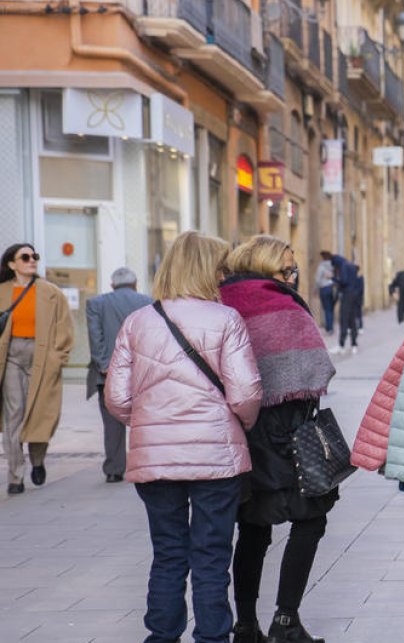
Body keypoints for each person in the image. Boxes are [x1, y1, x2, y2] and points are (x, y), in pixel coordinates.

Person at [105, 231, 262, 643]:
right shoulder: (226, 319)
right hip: (215, 458)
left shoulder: (138, 321)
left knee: (168, 553)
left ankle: (161, 635)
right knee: (211, 555)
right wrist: (236, 426)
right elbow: (246, 394)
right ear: (210, 271)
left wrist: (149, 426)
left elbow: (117, 397)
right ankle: (212, 637)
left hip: (154, 460)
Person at [218, 236, 338, 643]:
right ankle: (286, 620)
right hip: (285, 432)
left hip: (238, 431)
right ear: (264, 266)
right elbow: (317, 368)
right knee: (310, 519)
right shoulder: (280, 303)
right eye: (286, 270)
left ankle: (245, 625)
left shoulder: (220, 301)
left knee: (252, 528)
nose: (292, 277)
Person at [0, 243, 73, 495]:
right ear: (12, 264)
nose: (32, 260)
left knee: (40, 413)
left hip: (43, 355)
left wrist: (57, 358)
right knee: (14, 412)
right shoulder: (2, 292)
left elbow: (65, 329)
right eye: (25, 257)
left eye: (35, 256)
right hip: (10, 356)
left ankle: (38, 460)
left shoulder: (51, 292)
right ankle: (15, 474)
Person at [85, 267, 152, 483]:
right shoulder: (148, 302)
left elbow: (96, 337)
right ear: (135, 284)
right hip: (142, 372)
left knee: (112, 422)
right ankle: (147, 463)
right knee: (145, 420)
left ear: (112, 285)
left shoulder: (96, 303)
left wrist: (105, 364)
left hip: (108, 374)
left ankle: (114, 469)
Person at [330, 255, 362, 354]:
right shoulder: (351, 265)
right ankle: (354, 345)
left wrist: (333, 278)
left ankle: (341, 345)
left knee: (344, 319)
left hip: (347, 296)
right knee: (352, 320)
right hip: (354, 295)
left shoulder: (343, 266)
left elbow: (344, 281)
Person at [314, 251, 336, 335]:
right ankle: (330, 327)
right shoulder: (332, 265)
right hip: (331, 288)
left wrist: (316, 289)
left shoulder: (321, 266)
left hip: (324, 288)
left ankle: (328, 328)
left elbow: (318, 279)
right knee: (330, 308)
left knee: (326, 308)